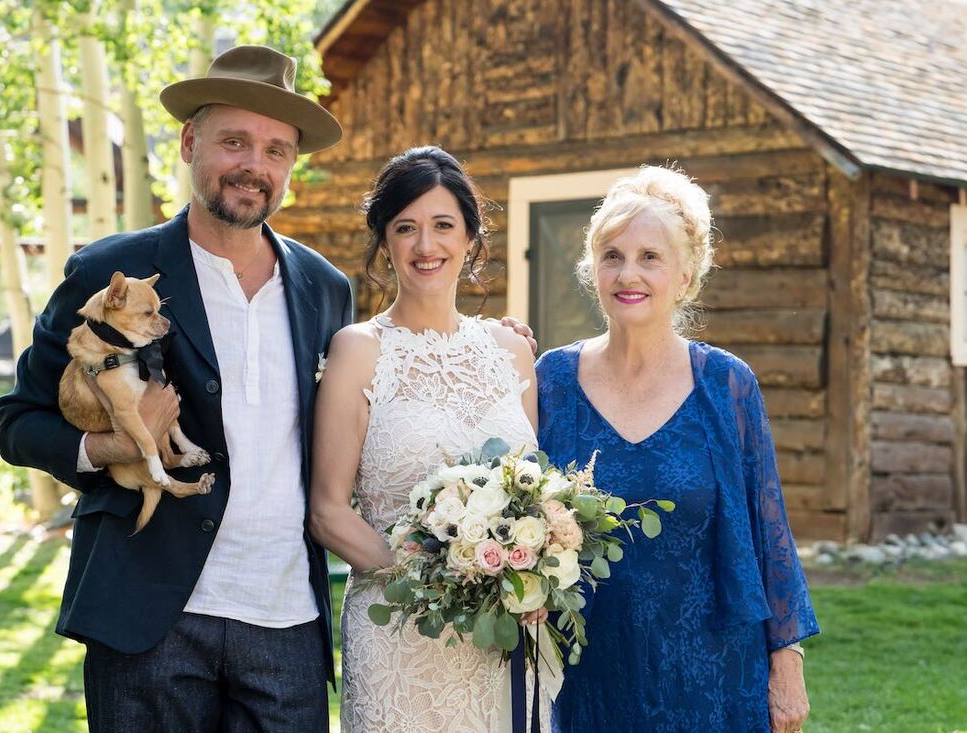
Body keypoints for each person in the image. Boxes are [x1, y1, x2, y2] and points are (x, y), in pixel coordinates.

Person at [0, 45, 351, 732]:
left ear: (291, 165)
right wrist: (109, 443)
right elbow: (18, 422)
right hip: (147, 617)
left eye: (277, 150)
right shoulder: (111, 272)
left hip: (286, 622)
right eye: (236, 141)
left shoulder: (325, 290)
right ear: (191, 142)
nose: (255, 165)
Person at [536, 166, 818, 733]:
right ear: (593, 270)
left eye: (649, 257)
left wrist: (786, 665)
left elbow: (769, 533)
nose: (627, 273)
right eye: (611, 255)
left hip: (713, 671)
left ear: (686, 276)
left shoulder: (727, 384)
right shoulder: (551, 381)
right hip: (587, 668)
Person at [309, 146, 545, 733]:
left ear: (470, 238)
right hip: (397, 633)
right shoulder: (357, 350)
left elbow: (533, 489)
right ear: (384, 243)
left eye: (443, 226)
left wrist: (518, 572)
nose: (425, 246)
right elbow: (328, 511)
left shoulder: (512, 351)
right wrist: (443, 581)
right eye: (406, 228)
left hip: (496, 639)